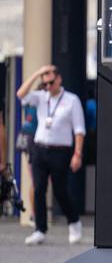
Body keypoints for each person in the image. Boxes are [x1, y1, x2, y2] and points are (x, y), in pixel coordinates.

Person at [15, 65, 85, 245]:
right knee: (39, 188)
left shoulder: (72, 100)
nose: (48, 86)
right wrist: (37, 73)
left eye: (51, 82)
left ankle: (74, 221)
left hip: (60, 150)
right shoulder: (41, 97)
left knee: (60, 190)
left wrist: (77, 154)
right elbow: (20, 94)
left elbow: (79, 129)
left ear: (59, 79)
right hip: (39, 148)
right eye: (45, 83)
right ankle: (40, 229)